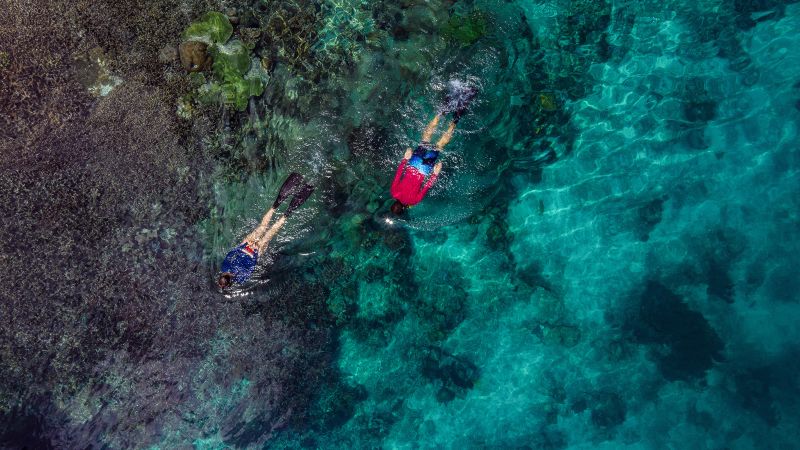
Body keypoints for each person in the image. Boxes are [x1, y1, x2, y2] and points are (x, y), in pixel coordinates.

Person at [390, 81, 476, 216]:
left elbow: (427, 186)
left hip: (424, 169)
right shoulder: (394, 192)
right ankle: (441, 112)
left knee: (440, 145)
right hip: (414, 163)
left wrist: (435, 173)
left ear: (403, 209)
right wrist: (405, 159)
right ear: (394, 203)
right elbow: (398, 174)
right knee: (426, 137)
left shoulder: (414, 202)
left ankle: (456, 118)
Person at [217, 173, 314, 289]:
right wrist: (245, 245)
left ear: (229, 282)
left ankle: (287, 213)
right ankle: (276, 205)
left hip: (254, 251)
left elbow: (251, 266)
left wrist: (255, 251)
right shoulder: (224, 268)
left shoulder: (240, 279)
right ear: (223, 275)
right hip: (247, 246)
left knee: (270, 232)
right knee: (263, 226)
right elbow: (232, 253)